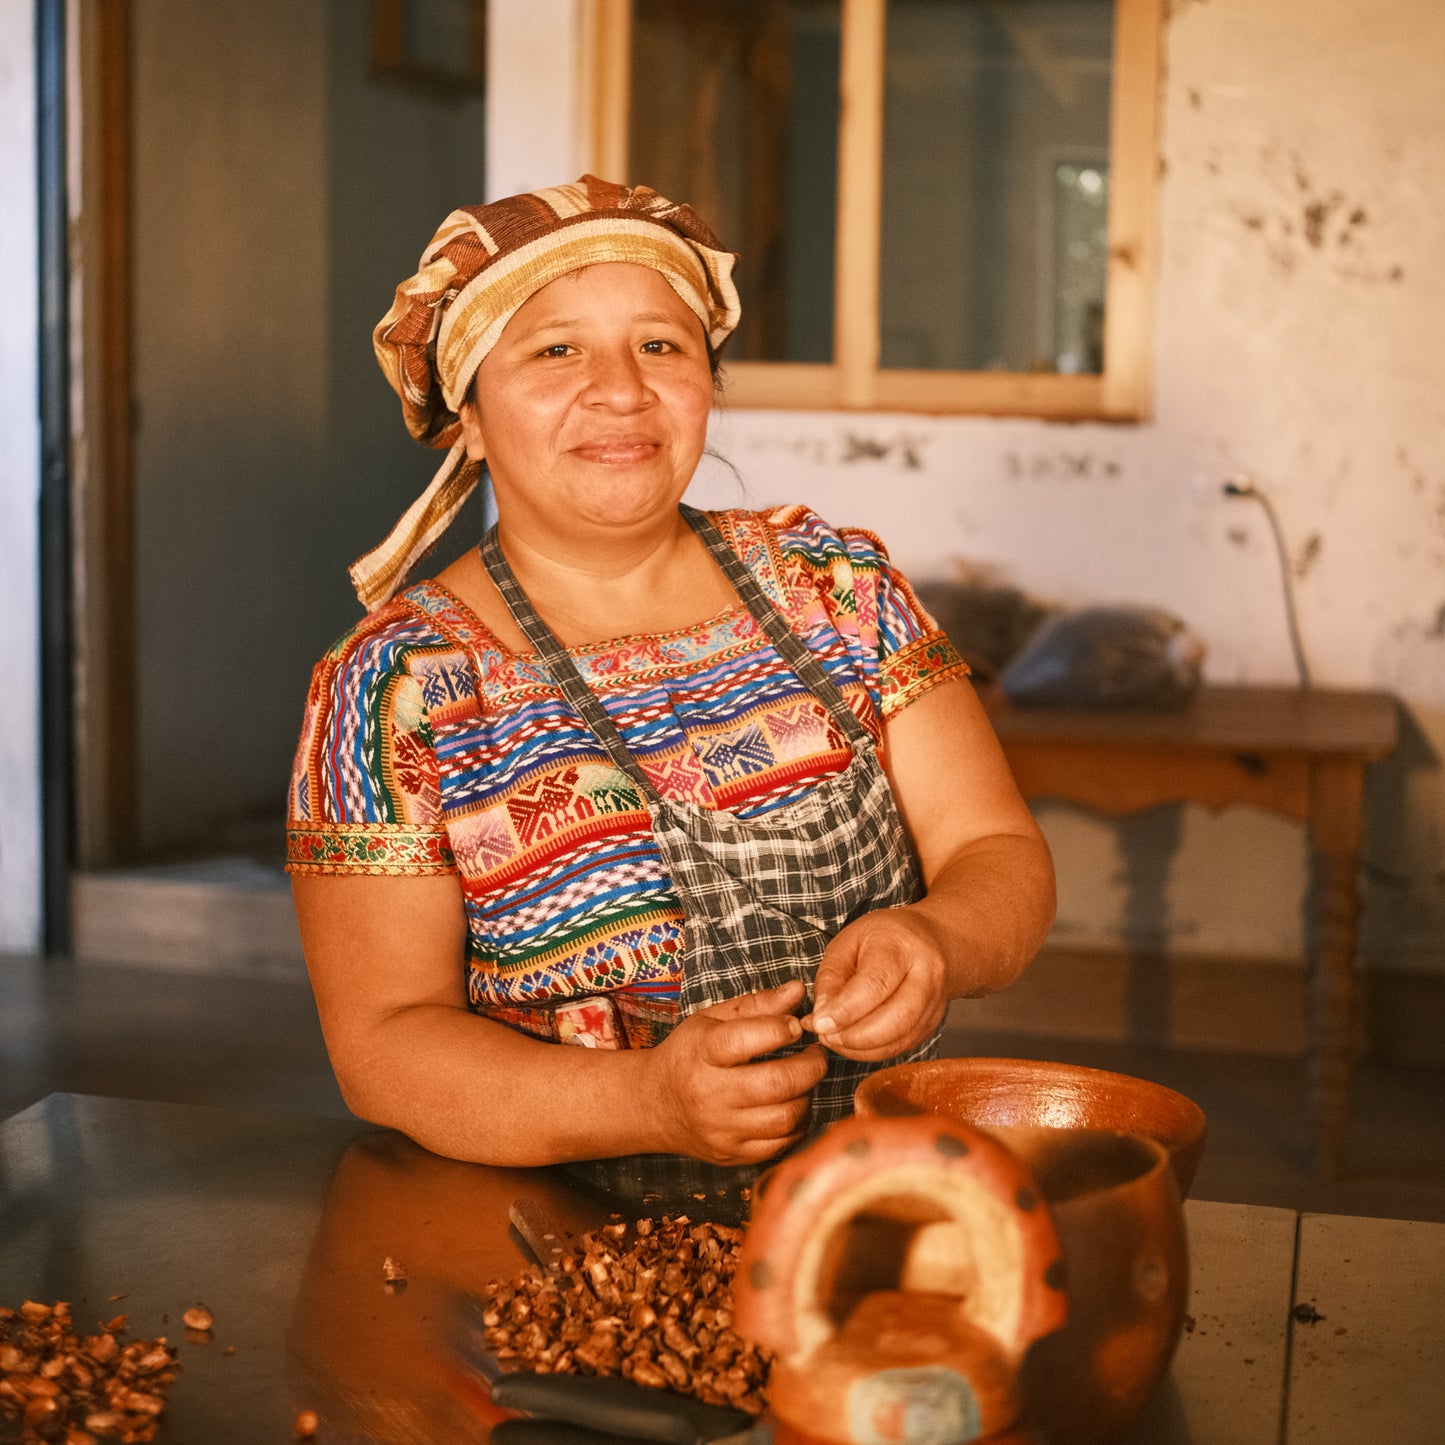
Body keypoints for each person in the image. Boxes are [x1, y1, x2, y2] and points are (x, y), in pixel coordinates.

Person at [288, 176, 1055, 1172]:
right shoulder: (397, 686)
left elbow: (997, 849)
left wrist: (936, 939)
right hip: (554, 1242)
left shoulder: (835, 588)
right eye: (555, 350)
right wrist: (646, 1101)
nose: (621, 389)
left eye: (660, 344)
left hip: (864, 1208)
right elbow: (383, 1045)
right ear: (468, 413)